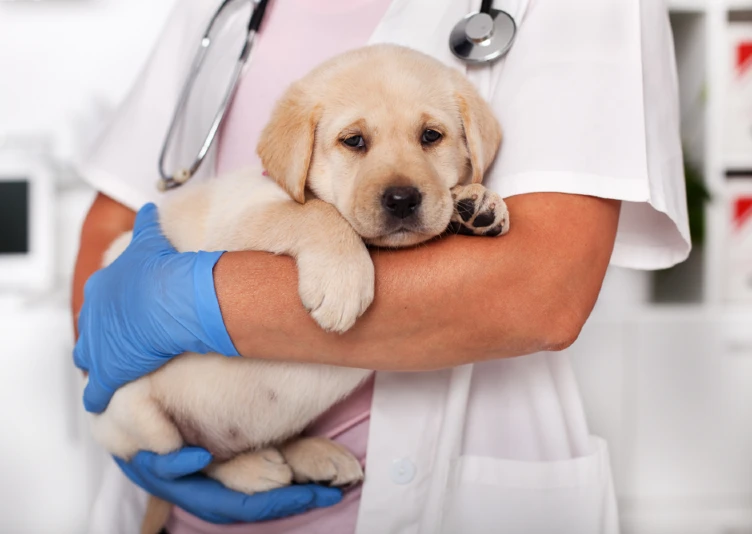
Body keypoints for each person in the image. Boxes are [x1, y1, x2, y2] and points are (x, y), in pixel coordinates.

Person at [71, 0, 691, 533]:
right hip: (193, 500)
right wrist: (114, 383)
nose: (398, 185)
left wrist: (191, 301)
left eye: (430, 137)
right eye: (355, 142)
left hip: (447, 494)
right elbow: (112, 223)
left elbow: (542, 292)